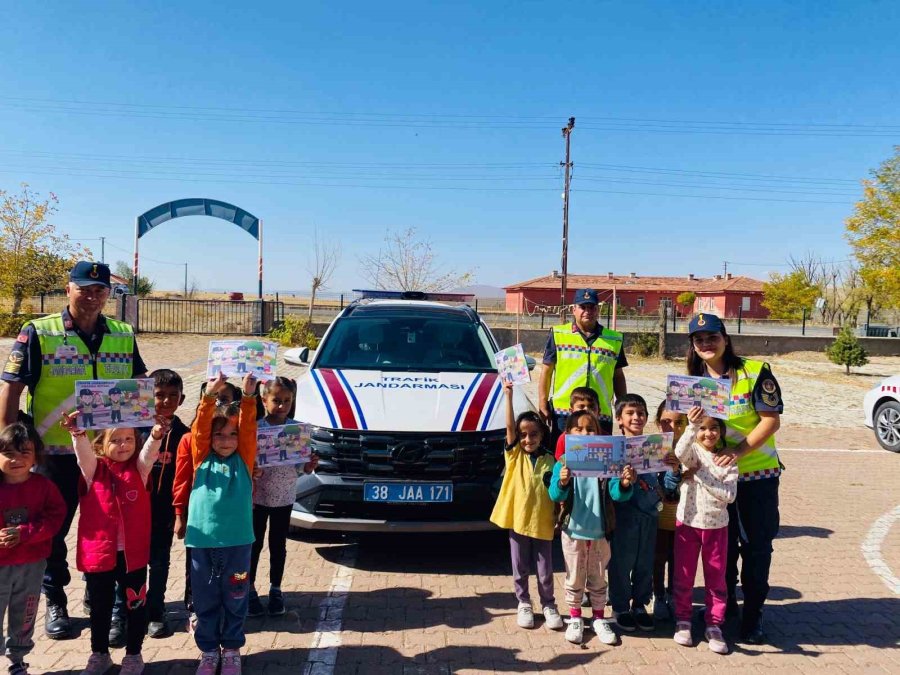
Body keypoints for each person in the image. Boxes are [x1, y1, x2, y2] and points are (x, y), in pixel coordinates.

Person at [0, 261, 146, 639]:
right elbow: (12, 388)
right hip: (56, 455)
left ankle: (110, 602)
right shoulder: (38, 332)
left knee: (113, 532)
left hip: (109, 458)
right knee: (53, 531)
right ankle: (55, 601)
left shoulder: (122, 333)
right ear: (69, 289)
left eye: (101, 290)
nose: (93, 295)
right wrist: (10, 444)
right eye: (85, 288)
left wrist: (146, 436)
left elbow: (141, 384)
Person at [686, 313, 783, 644]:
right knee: (721, 552)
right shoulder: (694, 381)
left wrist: (738, 452)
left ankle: (753, 616)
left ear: (725, 338)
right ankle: (725, 611)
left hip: (756, 477)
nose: (706, 344)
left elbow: (770, 420)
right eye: (699, 340)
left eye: (712, 337)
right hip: (714, 481)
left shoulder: (754, 373)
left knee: (756, 549)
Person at [61, 411, 169, 675]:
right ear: (102, 445)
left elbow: (148, 454)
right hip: (100, 554)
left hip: (132, 555)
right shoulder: (93, 471)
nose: (123, 445)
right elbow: (83, 454)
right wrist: (77, 433)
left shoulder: (140, 470)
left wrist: (156, 434)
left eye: (129, 439)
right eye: (116, 440)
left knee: (135, 605)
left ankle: (134, 655)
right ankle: (99, 654)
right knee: (100, 607)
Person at [186, 373, 257, 675]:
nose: (226, 441)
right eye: (219, 435)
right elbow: (200, 429)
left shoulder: (244, 458)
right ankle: (208, 651)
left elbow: (249, 428)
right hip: (202, 543)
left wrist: (249, 395)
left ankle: (231, 648)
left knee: (236, 597)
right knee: (205, 599)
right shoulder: (201, 457)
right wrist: (208, 397)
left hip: (238, 542)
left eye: (231, 435)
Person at [548, 410, 635, 646]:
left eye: (590, 429)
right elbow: (555, 494)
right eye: (578, 429)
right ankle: (575, 617)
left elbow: (617, 494)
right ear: (568, 434)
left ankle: (598, 617)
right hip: (573, 530)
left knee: (597, 578)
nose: (585, 433)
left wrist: (626, 482)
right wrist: (563, 481)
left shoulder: (608, 461)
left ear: (599, 433)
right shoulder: (564, 462)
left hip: (600, 531)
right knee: (574, 577)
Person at [489, 382, 560, 631]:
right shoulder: (514, 455)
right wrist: (508, 395)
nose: (528, 439)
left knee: (545, 569)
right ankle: (524, 602)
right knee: (520, 566)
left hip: (543, 521)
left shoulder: (551, 460)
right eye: (523, 435)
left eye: (533, 434)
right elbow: (509, 426)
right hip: (518, 520)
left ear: (542, 435)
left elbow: (558, 491)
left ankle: (549, 604)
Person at [173, 380, 242, 636]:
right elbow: (181, 478)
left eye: (226, 398)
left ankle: (227, 617)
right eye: (215, 398)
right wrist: (179, 512)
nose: (220, 403)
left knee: (230, 575)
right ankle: (196, 611)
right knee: (199, 572)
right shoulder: (193, 441)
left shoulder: (238, 446)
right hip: (200, 524)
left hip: (232, 529)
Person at [607, 394, 678, 634]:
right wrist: (626, 484)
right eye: (630, 413)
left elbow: (667, 487)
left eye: (640, 413)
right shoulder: (614, 449)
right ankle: (619, 607)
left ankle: (640, 605)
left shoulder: (657, 446)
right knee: (620, 564)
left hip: (650, 518)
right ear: (619, 418)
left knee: (645, 565)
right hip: (624, 519)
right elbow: (613, 492)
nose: (636, 417)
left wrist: (674, 470)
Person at [248, 377, 317, 618]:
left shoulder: (296, 430)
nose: (282, 405)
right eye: (276, 400)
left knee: (278, 545)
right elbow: (246, 460)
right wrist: (253, 469)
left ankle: (276, 588)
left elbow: (301, 468)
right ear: (264, 399)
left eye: (287, 401)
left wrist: (309, 465)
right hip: (256, 497)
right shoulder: (255, 428)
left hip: (284, 496)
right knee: (252, 546)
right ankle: (248, 588)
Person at [0, 423, 66, 675]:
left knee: (25, 611)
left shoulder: (44, 486)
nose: (16, 459)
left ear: (36, 456)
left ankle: (17, 659)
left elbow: (55, 518)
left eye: (24, 452)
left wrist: (25, 533)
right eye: (8, 453)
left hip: (32, 563)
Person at [672, 407, 738, 655]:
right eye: (703, 428)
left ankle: (714, 624)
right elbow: (679, 452)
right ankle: (683, 620)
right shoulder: (693, 453)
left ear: (721, 432)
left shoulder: (727, 460)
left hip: (716, 527)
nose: (708, 433)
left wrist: (700, 476)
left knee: (716, 578)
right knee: (684, 575)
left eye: (713, 428)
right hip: (687, 523)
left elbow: (728, 495)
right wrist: (691, 425)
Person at [538, 289, 627, 441]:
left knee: (599, 459)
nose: (588, 311)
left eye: (592, 307)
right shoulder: (558, 334)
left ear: (597, 310)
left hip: (600, 413)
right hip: (564, 413)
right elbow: (546, 372)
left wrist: (623, 409)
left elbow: (618, 377)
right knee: (564, 459)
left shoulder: (614, 339)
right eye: (583, 307)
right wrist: (542, 403)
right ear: (574, 309)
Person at [653, 401, 686, 621]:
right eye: (666, 422)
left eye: (679, 422)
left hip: (684, 517)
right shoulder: (651, 448)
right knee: (658, 558)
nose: (673, 427)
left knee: (678, 559)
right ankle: (658, 595)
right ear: (657, 423)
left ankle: (675, 596)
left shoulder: (693, 448)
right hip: (658, 517)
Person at [553, 386, 601, 460]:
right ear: (571, 411)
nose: (586, 410)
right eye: (581, 407)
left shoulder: (606, 437)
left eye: (591, 407)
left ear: (599, 411)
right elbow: (559, 461)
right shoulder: (564, 438)